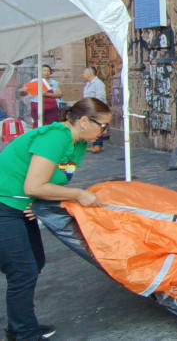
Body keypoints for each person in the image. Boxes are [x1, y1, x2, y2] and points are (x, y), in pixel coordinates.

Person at [0, 97, 108, 340]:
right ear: (84, 121)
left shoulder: (77, 145)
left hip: (21, 206)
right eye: (102, 125)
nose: (104, 131)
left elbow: (47, 183)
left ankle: (20, 326)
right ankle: (23, 333)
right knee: (22, 270)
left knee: (34, 263)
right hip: (4, 205)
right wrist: (78, 195)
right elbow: (35, 185)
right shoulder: (56, 137)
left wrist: (38, 202)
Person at [82, 67, 108, 153]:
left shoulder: (98, 84)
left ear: (90, 73)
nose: (83, 74)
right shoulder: (87, 84)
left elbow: (100, 97)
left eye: (84, 72)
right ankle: (95, 144)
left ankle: (98, 145)